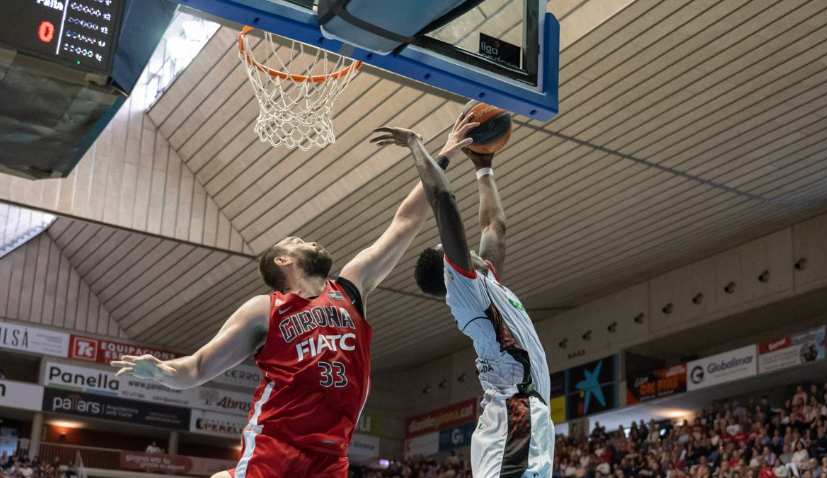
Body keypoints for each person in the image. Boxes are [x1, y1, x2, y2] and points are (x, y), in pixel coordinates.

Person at [110, 115, 478, 478]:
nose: (312, 242)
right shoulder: (263, 310)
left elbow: (406, 221)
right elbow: (199, 367)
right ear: (282, 261)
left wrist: (442, 154)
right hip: (276, 444)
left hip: (332, 455)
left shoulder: (351, 288)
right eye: (298, 242)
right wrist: (161, 372)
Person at [375, 120, 553, 477]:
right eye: (454, 249)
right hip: (515, 415)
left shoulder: (488, 284)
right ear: (449, 267)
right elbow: (443, 201)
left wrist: (484, 167)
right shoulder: (464, 289)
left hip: (519, 416)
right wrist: (418, 146)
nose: (467, 247)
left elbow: (494, 227)